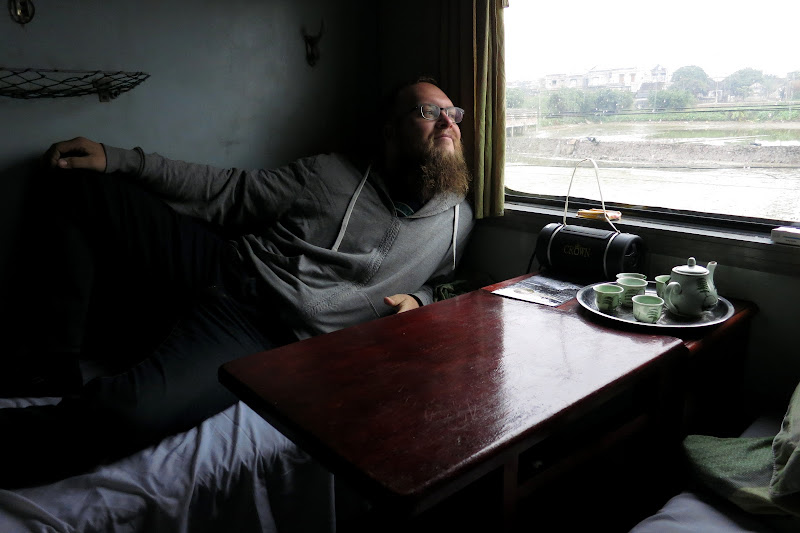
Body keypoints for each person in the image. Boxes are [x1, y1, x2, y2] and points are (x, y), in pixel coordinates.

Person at [0, 77, 475, 487]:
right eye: (427, 111)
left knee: (128, 413)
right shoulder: (330, 172)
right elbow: (229, 190)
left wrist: (418, 299)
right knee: (79, 183)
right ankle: (47, 366)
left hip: (256, 332)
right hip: (220, 265)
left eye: (452, 114)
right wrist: (119, 158)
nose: (447, 122)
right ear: (390, 130)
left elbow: (442, 282)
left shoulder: (457, 221)